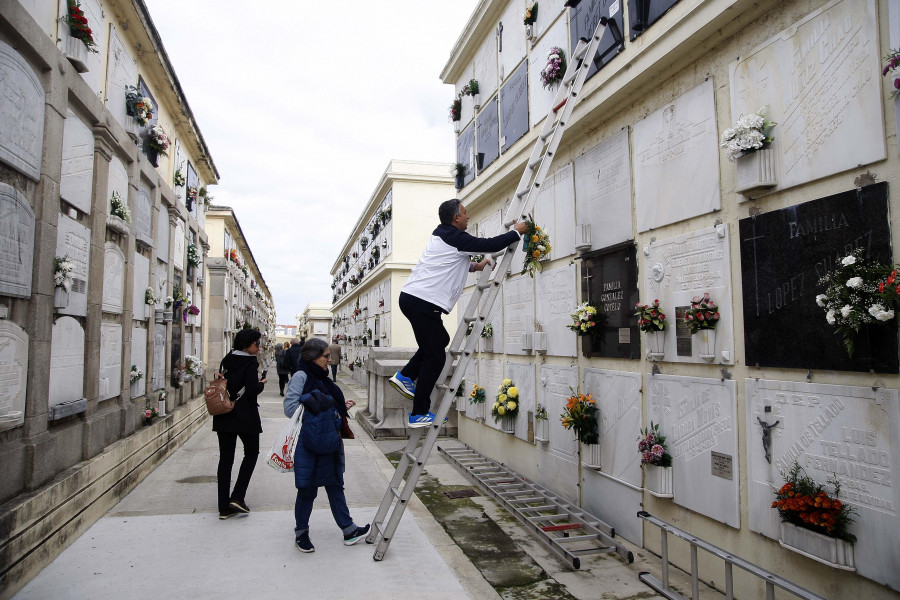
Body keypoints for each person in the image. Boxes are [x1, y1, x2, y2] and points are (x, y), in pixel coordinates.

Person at [389, 199, 527, 427]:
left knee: (438, 341)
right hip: (422, 301)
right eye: (465, 213)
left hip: (416, 299)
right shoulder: (454, 237)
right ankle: (418, 412)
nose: (468, 216)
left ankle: (405, 376)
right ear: (456, 217)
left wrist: (475, 266)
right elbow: (491, 244)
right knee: (436, 357)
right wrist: (516, 232)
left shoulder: (444, 236)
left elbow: (449, 262)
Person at [283, 338, 369, 552]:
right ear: (313, 357)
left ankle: (349, 530)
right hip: (309, 443)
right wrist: (321, 406)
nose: (330, 360)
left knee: (335, 485)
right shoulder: (302, 376)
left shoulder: (323, 377)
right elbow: (290, 407)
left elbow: (325, 402)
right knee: (307, 490)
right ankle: (301, 534)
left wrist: (338, 406)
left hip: (329, 441)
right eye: (326, 356)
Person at [214, 328, 267, 519]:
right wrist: (261, 383)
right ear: (246, 344)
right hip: (245, 416)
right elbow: (252, 390)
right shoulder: (250, 362)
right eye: (256, 343)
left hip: (224, 415)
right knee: (251, 453)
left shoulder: (227, 359)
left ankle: (223, 507)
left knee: (225, 459)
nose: (258, 347)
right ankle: (237, 497)